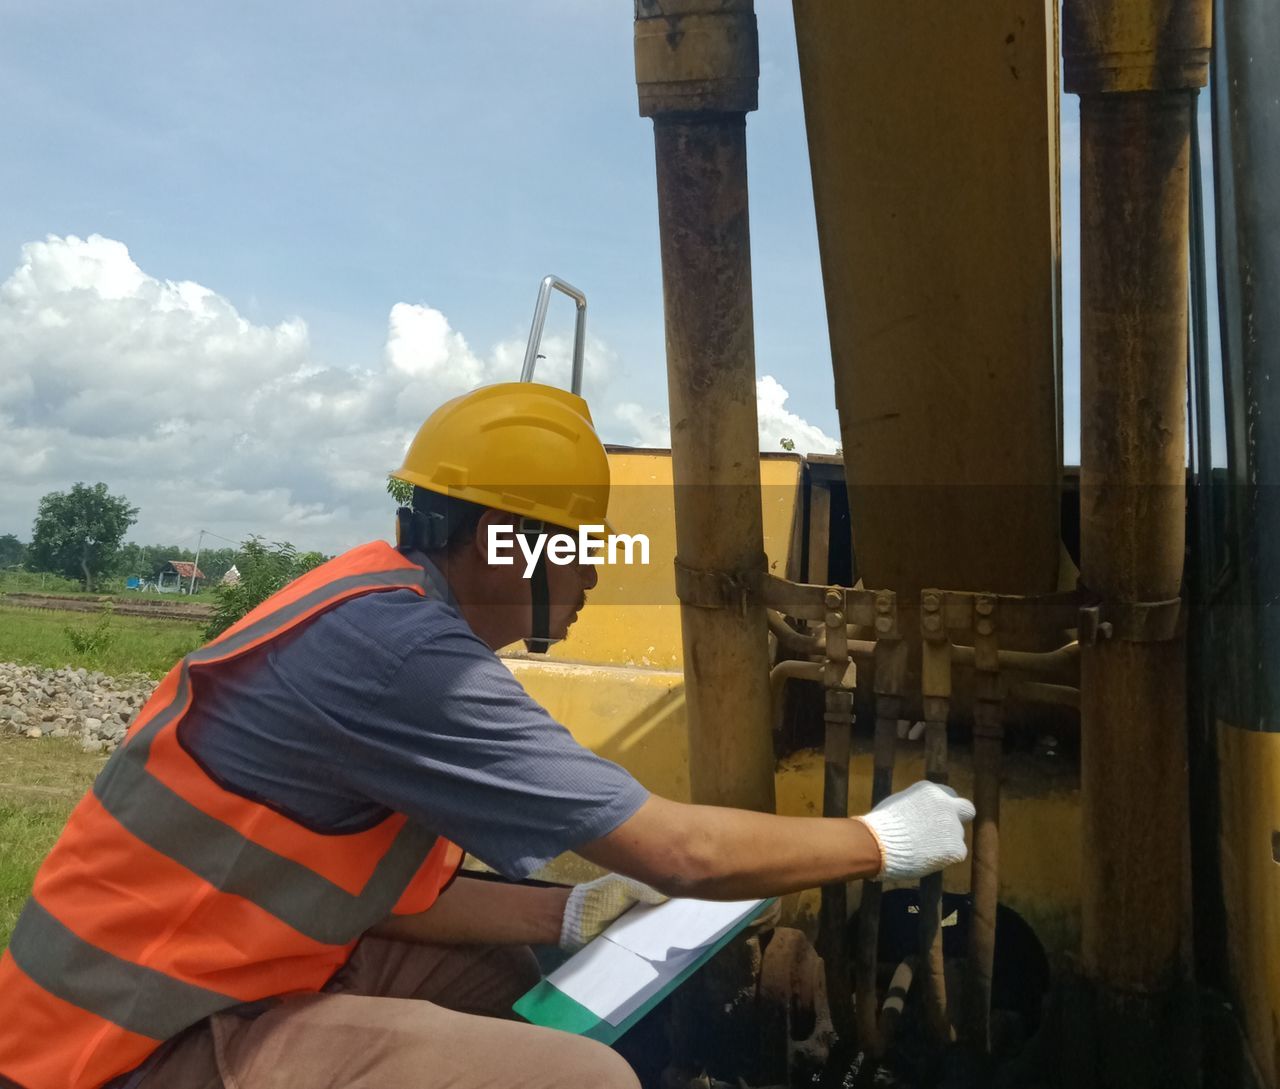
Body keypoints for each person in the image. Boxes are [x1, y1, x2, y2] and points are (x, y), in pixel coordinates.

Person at [0, 382, 974, 1089]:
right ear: (496, 539)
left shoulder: (375, 598)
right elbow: (676, 849)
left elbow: (368, 891)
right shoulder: (401, 655)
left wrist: (562, 915)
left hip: (182, 977)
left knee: (494, 973)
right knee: (583, 1081)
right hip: (115, 1048)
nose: (591, 577)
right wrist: (880, 840)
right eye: (576, 548)